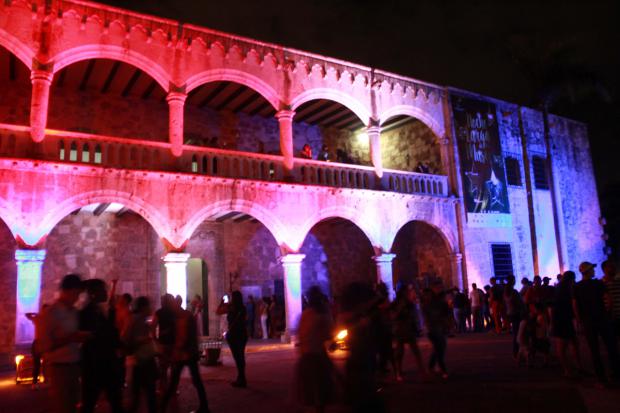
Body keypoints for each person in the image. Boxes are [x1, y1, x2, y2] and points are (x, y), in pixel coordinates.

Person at [38, 274, 90, 413]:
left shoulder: (73, 312)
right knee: (63, 407)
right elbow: (43, 346)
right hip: (59, 369)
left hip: (74, 366)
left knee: (74, 406)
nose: (78, 297)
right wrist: (70, 338)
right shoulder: (50, 313)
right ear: (68, 291)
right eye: (77, 293)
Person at [79, 278, 125, 413]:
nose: (106, 292)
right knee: (90, 402)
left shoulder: (97, 311)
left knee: (113, 400)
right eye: (103, 290)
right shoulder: (88, 313)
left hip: (104, 363)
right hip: (96, 364)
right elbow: (101, 335)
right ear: (94, 293)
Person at [161, 295, 210, 413]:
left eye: (172, 304)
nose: (171, 306)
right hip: (182, 354)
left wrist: (183, 348)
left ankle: (204, 407)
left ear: (177, 304)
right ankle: (162, 406)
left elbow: (191, 337)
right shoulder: (176, 317)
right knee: (176, 382)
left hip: (187, 354)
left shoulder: (187, 316)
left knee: (191, 381)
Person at [573, 261, 620, 382]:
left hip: (588, 321)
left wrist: (579, 321)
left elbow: (575, 305)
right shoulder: (598, 284)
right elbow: (608, 301)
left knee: (594, 350)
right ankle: (615, 373)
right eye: (592, 269)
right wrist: (609, 312)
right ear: (588, 271)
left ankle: (601, 378)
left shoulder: (577, 286)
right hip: (602, 318)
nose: (594, 271)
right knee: (611, 347)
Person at [295, 286, 335, 413]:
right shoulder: (323, 314)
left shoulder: (306, 314)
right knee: (320, 389)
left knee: (311, 390)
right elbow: (329, 335)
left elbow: (301, 335)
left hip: (307, 356)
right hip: (317, 356)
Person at [124, 296, 157, 413]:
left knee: (138, 393)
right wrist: (146, 339)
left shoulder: (138, 319)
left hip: (141, 360)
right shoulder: (138, 319)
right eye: (149, 305)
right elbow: (133, 339)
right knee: (148, 392)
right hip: (143, 360)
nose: (151, 308)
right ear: (144, 307)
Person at [391, 284, 426, 381]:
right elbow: (393, 316)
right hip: (400, 330)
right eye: (407, 291)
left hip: (409, 330)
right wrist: (400, 309)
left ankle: (422, 372)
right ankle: (399, 372)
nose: (409, 293)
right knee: (399, 353)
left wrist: (417, 327)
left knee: (416, 351)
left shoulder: (410, 304)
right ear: (402, 293)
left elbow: (413, 316)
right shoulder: (396, 303)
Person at [551, 271, 583, 377]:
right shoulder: (567, 289)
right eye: (573, 278)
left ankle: (572, 369)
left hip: (560, 319)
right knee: (565, 346)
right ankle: (570, 369)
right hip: (563, 320)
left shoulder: (559, 288)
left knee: (567, 345)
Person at [217, 291, 248, 387]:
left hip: (234, 335)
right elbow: (245, 320)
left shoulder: (231, 307)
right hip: (242, 333)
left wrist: (221, 302)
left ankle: (241, 378)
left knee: (237, 357)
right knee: (241, 356)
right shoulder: (243, 308)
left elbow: (218, 311)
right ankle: (241, 377)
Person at [423, 281, 451, 379]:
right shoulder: (431, 301)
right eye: (438, 287)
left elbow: (446, 313)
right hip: (434, 328)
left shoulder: (438, 300)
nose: (440, 289)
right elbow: (431, 314)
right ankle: (443, 370)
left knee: (439, 348)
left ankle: (431, 366)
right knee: (439, 348)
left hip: (438, 327)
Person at [152, 294, 176, 393]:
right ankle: (172, 388)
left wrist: (155, 339)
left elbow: (153, 326)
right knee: (173, 366)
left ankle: (162, 387)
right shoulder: (174, 312)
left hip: (163, 342)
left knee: (163, 367)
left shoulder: (159, 312)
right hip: (173, 342)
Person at [503, 276, 525, 359]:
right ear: (513, 281)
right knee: (519, 333)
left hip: (510, 313)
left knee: (516, 333)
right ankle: (517, 352)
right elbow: (520, 303)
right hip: (517, 313)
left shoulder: (505, 292)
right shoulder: (514, 292)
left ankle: (516, 352)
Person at [602, 260, 620, 337]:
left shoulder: (618, 282)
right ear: (604, 269)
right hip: (609, 319)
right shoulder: (600, 284)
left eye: (614, 266)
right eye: (611, 266)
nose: (614, 268)